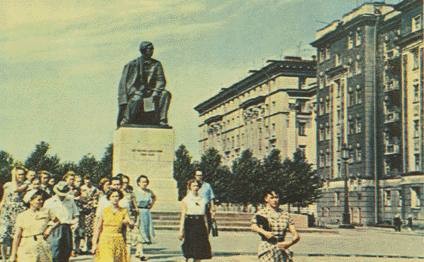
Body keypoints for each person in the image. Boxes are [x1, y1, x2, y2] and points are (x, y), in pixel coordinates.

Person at [117, 41, 172, 127]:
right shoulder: (133, 64)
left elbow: (161, 80)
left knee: (166, 94)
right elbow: (127, 84)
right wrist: (135, 92)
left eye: (153, 49)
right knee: (137, 99)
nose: (152, 51)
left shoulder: (157, 64)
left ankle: (162, 120)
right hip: (137, 92)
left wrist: (156, 92)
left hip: (152, 92)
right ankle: (126, 120)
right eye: (150, 49)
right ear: (144, 50)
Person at [9, 189, 61, 262]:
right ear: (31, 201)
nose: (41, 202)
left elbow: (58, 221)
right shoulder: (22, 216)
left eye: (41, 200)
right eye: (38, 200)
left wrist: (50, 228)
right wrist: (13, 254)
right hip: (27, 245)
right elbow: (17, 236)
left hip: (42, 243)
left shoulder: (47, 211)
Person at [251, 187, 300, 262]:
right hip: (267, 248)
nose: (275, 200)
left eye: (276, 197)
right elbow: (254, 226)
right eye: (272, 198)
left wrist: (289, 243)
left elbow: (296, 235)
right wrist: (264, 232)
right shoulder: (261, 213)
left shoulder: (285, 215)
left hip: (281, 249)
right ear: (266, 199)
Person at [92, 189, 134, 262]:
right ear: (109, 198)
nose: (115, 198)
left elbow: (131, 224)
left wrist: (129, 222)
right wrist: (94, 243)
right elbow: (98, 228)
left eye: (117, 196)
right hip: (105, 239)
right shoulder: (105, 211)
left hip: (118, 239)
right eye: (113, 196)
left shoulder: (124, 211)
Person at [44, 181, 79, 262]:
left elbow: (76, 214)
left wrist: (76, 223)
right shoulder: (49, 202)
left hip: (67, 227)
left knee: (67, 250)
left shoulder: (70, 200)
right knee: (55, 252)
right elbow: (45, 217)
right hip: (54, 228)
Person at [178, 179, 212, 262]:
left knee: (200, 247)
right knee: (190, 245)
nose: (195, 188)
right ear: (190, 187)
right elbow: (183, 215)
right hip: (190, 223)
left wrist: (207, 226)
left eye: (197, 186)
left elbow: (204, 215)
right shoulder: (186, 200)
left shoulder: (203, 200)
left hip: (200, 223)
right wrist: (180, 229)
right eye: (193, 186)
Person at [0, 167, 27, 262]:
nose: (21, 176)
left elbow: (16, 189)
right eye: (19, 174)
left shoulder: (26, 184)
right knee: (2, 235)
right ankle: (4, 258)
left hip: (18, 211)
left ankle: (12, 256)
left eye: (22, 174)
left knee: (15, 235)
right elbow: (4, 198)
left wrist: (13, 177)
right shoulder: (7, 185)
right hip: (7, 211)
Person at [133, 175, 157, 261]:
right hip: (138, 213)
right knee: (140, 232)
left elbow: (154, 197)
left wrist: (151, 205)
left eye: (145, 182)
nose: (144, 184)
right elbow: (132, 202)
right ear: (138, 183)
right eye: (142, 182)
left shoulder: (149, 192)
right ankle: (142, 253)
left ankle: (137, 251)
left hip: (146, 212)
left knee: (145, 231)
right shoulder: (135, 192)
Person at [80, 175, 99, 253]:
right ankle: (83, 245)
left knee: (90, 228)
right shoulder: (81, 188)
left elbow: (97, 198)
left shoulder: (94, 189)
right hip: (82, 210)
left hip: (91, 210)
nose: (87, 181)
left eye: (89, 179)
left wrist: (93, 202)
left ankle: (88, 245)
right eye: (86, 180)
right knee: (82, 228)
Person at [71, 175, 84, 256]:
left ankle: (77, 248)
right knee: (73, 231)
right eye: (77, 181)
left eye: (80, 181)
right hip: (72, 212)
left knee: (80, 231)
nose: (79, 183)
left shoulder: (81, 190)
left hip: (80, 212)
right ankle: (73, 249)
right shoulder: (70, 190)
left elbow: (85, 198)